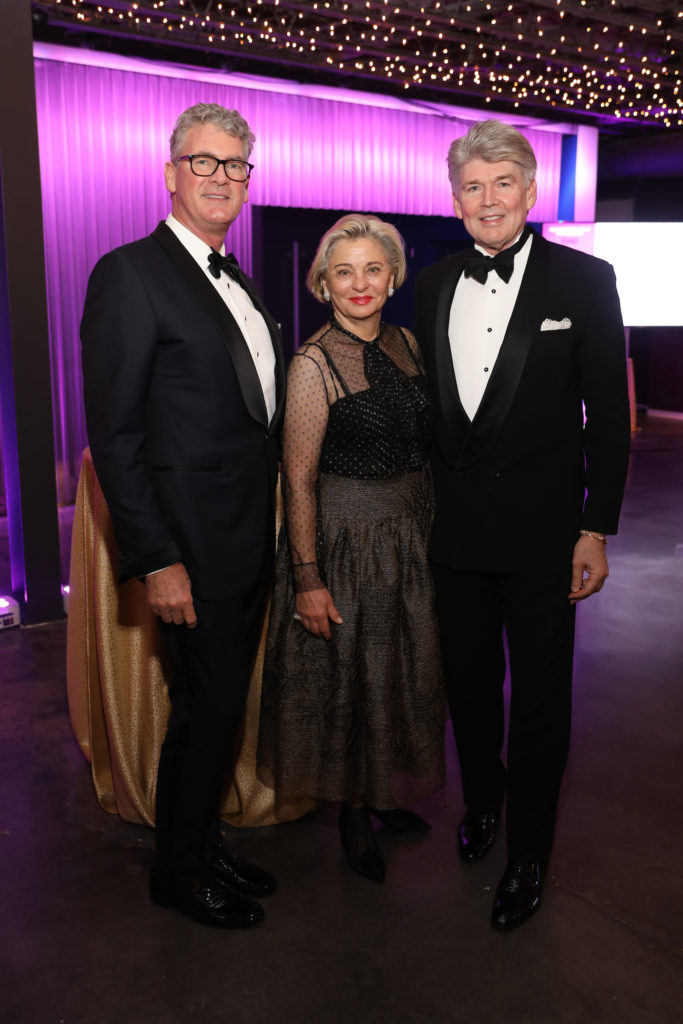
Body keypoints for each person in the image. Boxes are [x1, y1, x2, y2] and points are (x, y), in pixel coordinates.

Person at [413, 120, 631, 930]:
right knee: (468, 691)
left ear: (530, 191)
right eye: (472, 185)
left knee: (539, 699)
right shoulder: (433, 284)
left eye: (502, 181)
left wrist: (593, 527)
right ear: (456, 199)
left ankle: (529, 850)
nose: (487, 198)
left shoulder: (584, 280)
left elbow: (607, 417)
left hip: (545, 536)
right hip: (455, 537)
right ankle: (482, 800)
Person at [80, 103, 286, 929]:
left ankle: (200, 838)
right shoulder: (130, 272)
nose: (223, 178)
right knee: (203, 708)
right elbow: (116, 433)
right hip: (189, 548)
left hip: (246, 537)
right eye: (205, 163)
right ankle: (178, 868)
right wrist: (154, 556)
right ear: (171, 173)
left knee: (221, 704)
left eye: (237, 165)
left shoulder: (236, 275)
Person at [257, 214, 445, 883]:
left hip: (406, 538)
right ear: (323, 285)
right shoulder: (312, 364)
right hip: (345, 544)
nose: (359, 283)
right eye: (344, 272)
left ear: (391, 275)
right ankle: (350, 814)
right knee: (348, 683)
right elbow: (298, 479)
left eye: (372, 269)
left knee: (397, 672)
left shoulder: (408, 344)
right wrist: (307, 577)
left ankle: (381, 795)